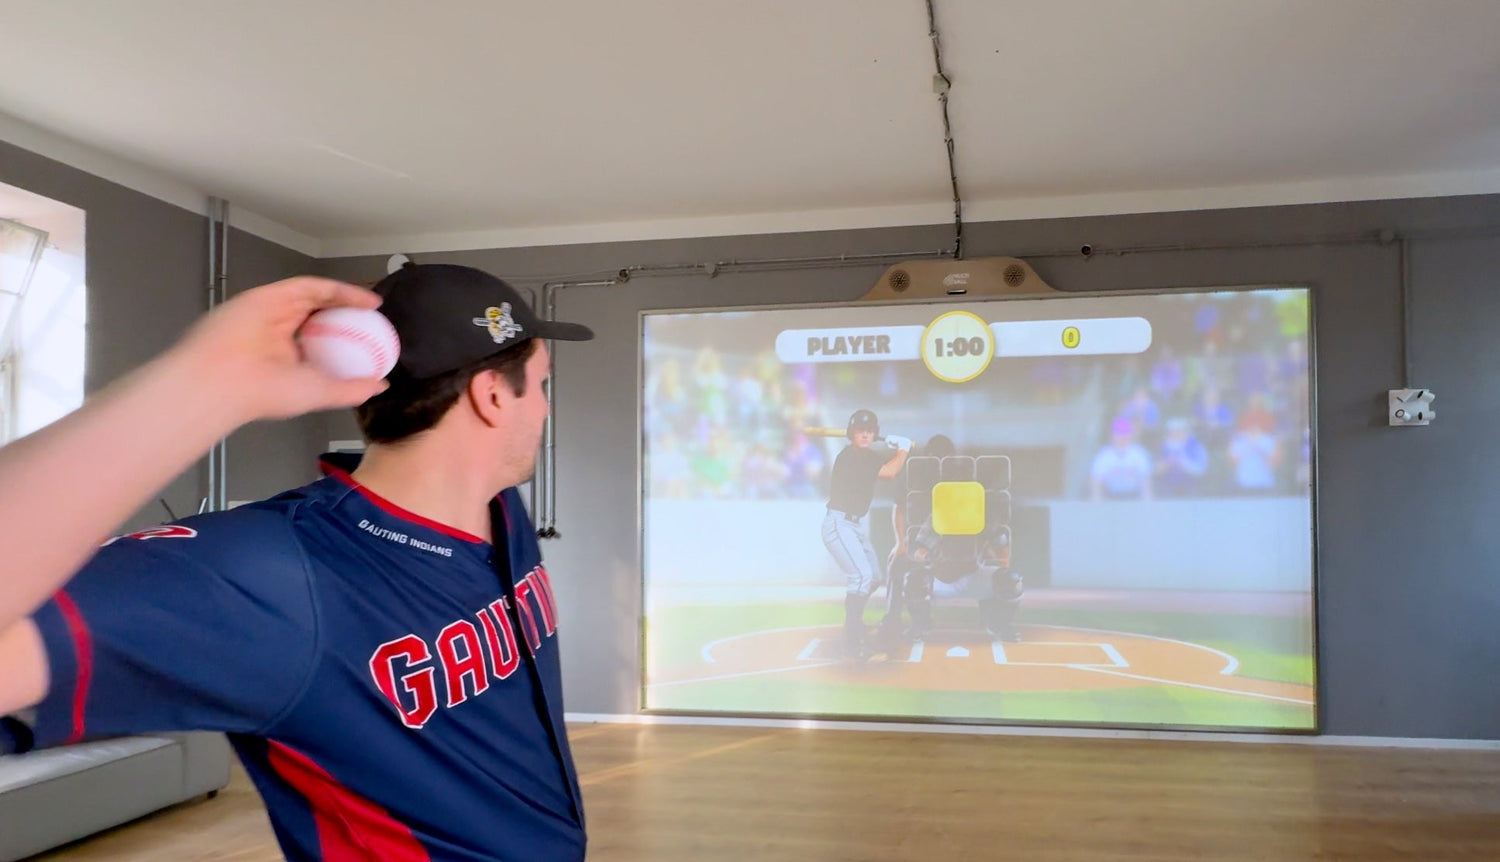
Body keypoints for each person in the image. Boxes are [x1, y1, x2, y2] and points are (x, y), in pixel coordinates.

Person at [0, 262, 596, 861]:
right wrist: (202, 384)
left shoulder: (500, 507)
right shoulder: (269, 574)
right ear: (492, 395)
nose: (543, 410)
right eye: (541, 385)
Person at [820, 409, 908, 660]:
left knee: (873, 578)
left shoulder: (868, 456)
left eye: (869, 431)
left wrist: (895, 451)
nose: (865, 434)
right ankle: (853, 637)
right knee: (861, 577)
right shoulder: (848, 457)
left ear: (875, 433)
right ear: (851, 433)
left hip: (855, 526)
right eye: (860, 430)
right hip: (838, 524)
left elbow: (885, 466)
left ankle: (855, 624)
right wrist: (902, 450)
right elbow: (890, 472)